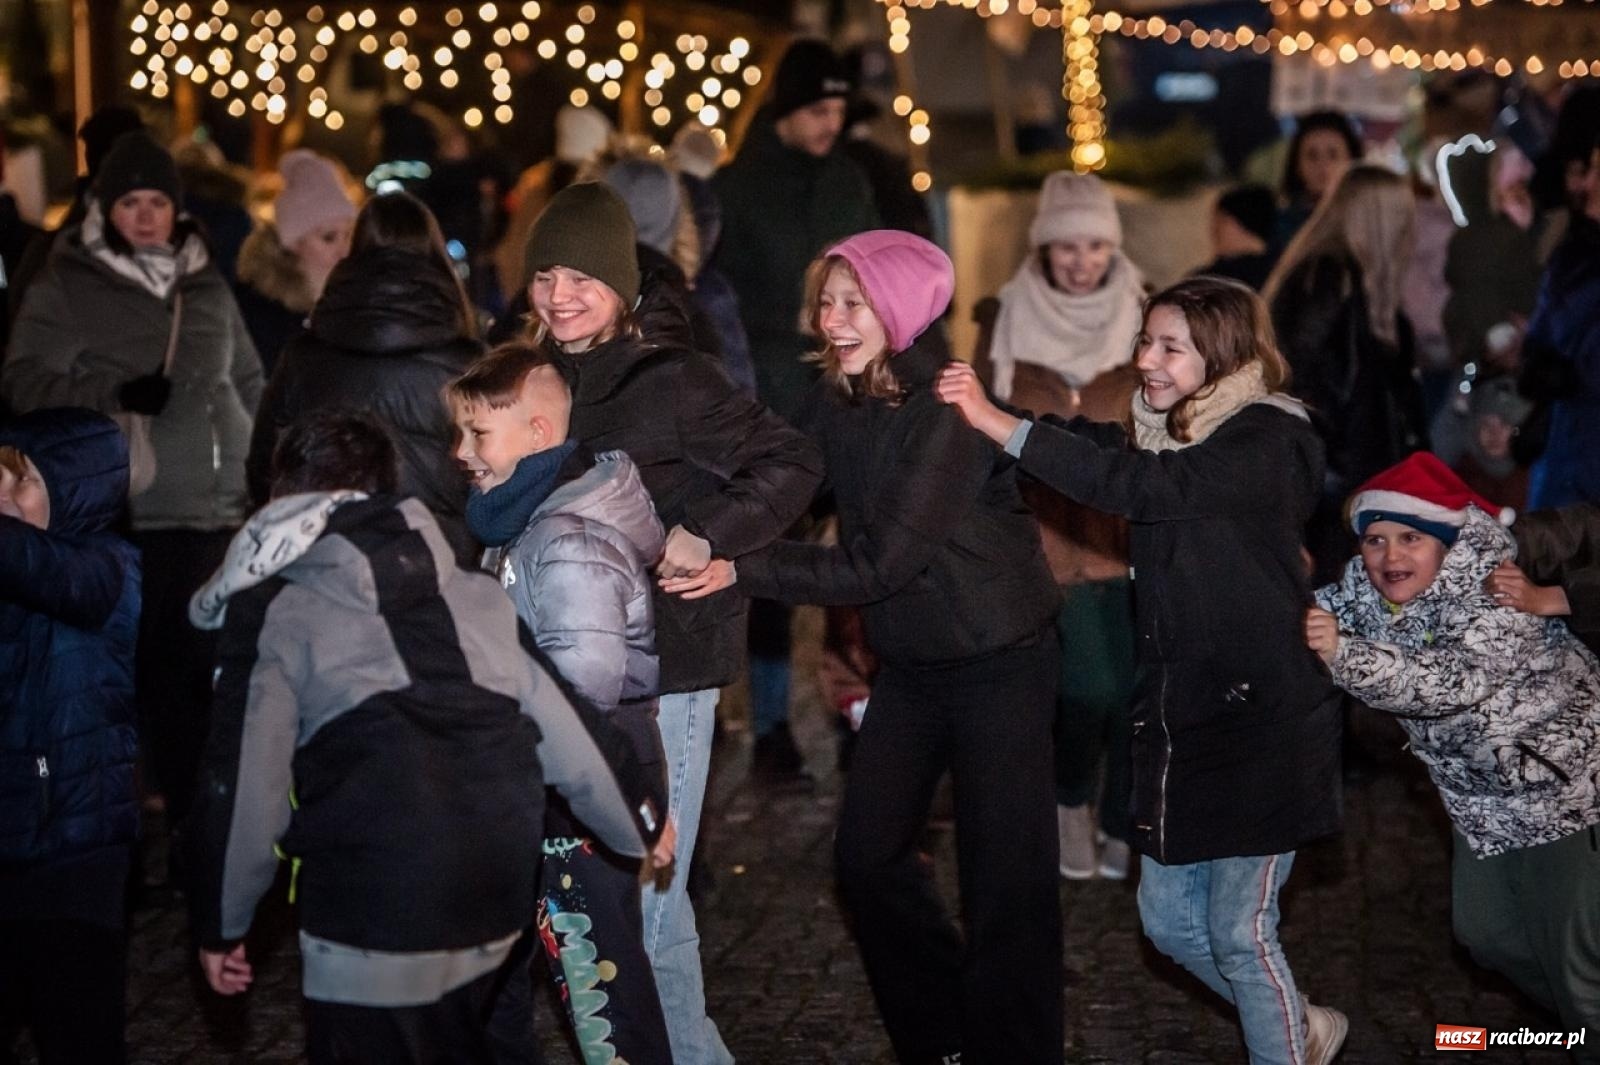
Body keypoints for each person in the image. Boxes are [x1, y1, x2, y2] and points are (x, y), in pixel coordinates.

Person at [673, 231, 1063, 1061]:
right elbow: (786, 487)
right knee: (867, 858)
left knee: (1005, 884)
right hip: (913, 664)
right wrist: (704, 525)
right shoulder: (839, 395)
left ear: (900, 309)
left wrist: (739, 568)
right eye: (826, 301)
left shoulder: (947, 411)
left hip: (999, 658)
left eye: (854, 303)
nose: (832, 319)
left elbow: (877, 564)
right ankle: (942, 1036)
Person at [938, 276, 1347, 1065]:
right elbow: (1100, 449)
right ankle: (1300, 1025)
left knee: (1239, 932)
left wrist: (997, 423)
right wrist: (988, 415)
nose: (1146, 361)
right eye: (1145, 341)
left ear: (1222, 355)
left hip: (1262, 719)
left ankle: (1285, 1048)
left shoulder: (1265, 438)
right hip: (1181, 714)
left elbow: (1142, 488)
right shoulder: (1167, 428)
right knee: (1170, 926)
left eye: (1170, 347)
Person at [185, 410, 664, 1065]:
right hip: (494, 891)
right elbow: (570, 734)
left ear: (279, 495)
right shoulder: (474, 594)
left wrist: (222, 920)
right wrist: (637, 820)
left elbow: (248, 786)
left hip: (373, 903)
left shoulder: (276, 607)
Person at [521, 181, 823, 1064]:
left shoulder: (673, 378)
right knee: (632, 903)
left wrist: (708, 533)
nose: (560, 295)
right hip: (564, 674)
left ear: (621, 286)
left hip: (668, 670)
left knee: (646, 904)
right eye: (545, 274)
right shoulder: (531, 376)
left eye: (582, 277)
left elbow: (791, 459)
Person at [1, 130, 263, 844]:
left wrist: (259, 460)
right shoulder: (69, 280)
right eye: (130, 203)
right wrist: (114, 392)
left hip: (222, 511)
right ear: (105, 209)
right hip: (139, 513)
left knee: (212, 680)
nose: (146, 217)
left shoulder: (204, 278)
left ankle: (205, 827)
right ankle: (170, 827)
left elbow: (247, 378)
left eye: (157, 202)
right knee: (161, 681)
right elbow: (24, 381)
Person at [1307, 452, 1600, 1054]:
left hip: (1568, 791)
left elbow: (1448, 683)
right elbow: (1306, 611)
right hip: (1481, 801)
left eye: (1411, 538)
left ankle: (1578, 1033)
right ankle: (1575, 1032)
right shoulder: (1368, 592)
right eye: (1375, 539)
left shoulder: (1494, 588)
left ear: (1446, 542)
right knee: (1487, 936)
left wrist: (1343, 654)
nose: (1390, 556)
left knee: (1576, 961)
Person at [446, 343, 673, 1064]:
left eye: (478, 433)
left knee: (599, 984)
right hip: (538, 779)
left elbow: (580, 690)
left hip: (580, 784)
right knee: (506, 979)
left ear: (537, 432)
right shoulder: (518, 523)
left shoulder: (567, 537)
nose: (461, 452)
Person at [714, 39, 880, 778]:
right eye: (817, 108)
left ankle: (858, 710)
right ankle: (771, 726)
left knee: (863, 557)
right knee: (774, 567)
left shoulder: (848, 179)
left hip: (850, 394)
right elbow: (722, 296)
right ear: (785, 109)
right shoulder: (737, 187)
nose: (830, 123)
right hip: (772, 399)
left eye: (838, 109)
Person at [972, 170, 1144, 881]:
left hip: (1125, 542)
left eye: (1096, 245)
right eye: (1068, 246)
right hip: (1041, 545)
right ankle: (1069, 798)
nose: (1082, 261)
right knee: (1083, 693)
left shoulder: (1145, 316)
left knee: (1136, 696)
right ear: (1043, 248)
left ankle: (1121, 818)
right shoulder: (1005, 321)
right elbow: (978, 427)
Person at [0, 408, 140, 1065]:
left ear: (75, 487)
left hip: (75, 848)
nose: (5, 497)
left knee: (78, 1036)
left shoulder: (109, 568)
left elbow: (43, 570)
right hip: (12, 836)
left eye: (22, 481)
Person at [246, 191, 480, 564]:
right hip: (438, 562)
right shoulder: (469, 362)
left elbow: (265, 468)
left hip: (326, 559)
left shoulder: (303, 356)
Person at [1265, 163, 1427, 583]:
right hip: (1335, 491)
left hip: (1351, 486)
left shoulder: (1361, 289)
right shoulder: (1329, 277)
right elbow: (1300, 378)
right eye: (1401, 216)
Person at [1521, 133, 1600, 510]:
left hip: (1581, 459)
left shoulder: (1582, 260)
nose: (1586, 184)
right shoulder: (1578, 252)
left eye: (1597, 172)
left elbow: (1561, 347)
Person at [234, 149, 357, 377]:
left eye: (349, 235)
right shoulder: (259, 314)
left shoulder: (356, 306)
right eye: (329, 237)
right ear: (294, 243)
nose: (345, 250)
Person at [1276, 111, 1362, 247]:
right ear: (1297, 165)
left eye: (1333, 155)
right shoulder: (1279, 226)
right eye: (1312, 156)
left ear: (1352, 161)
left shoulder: (1365, 221)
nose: (1323, 165)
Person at [1195, 184, 1278, 291]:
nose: (1214, 229)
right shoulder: (1283, 271)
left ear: (1242, 222)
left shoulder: (1210, 281)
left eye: (1222, 221)